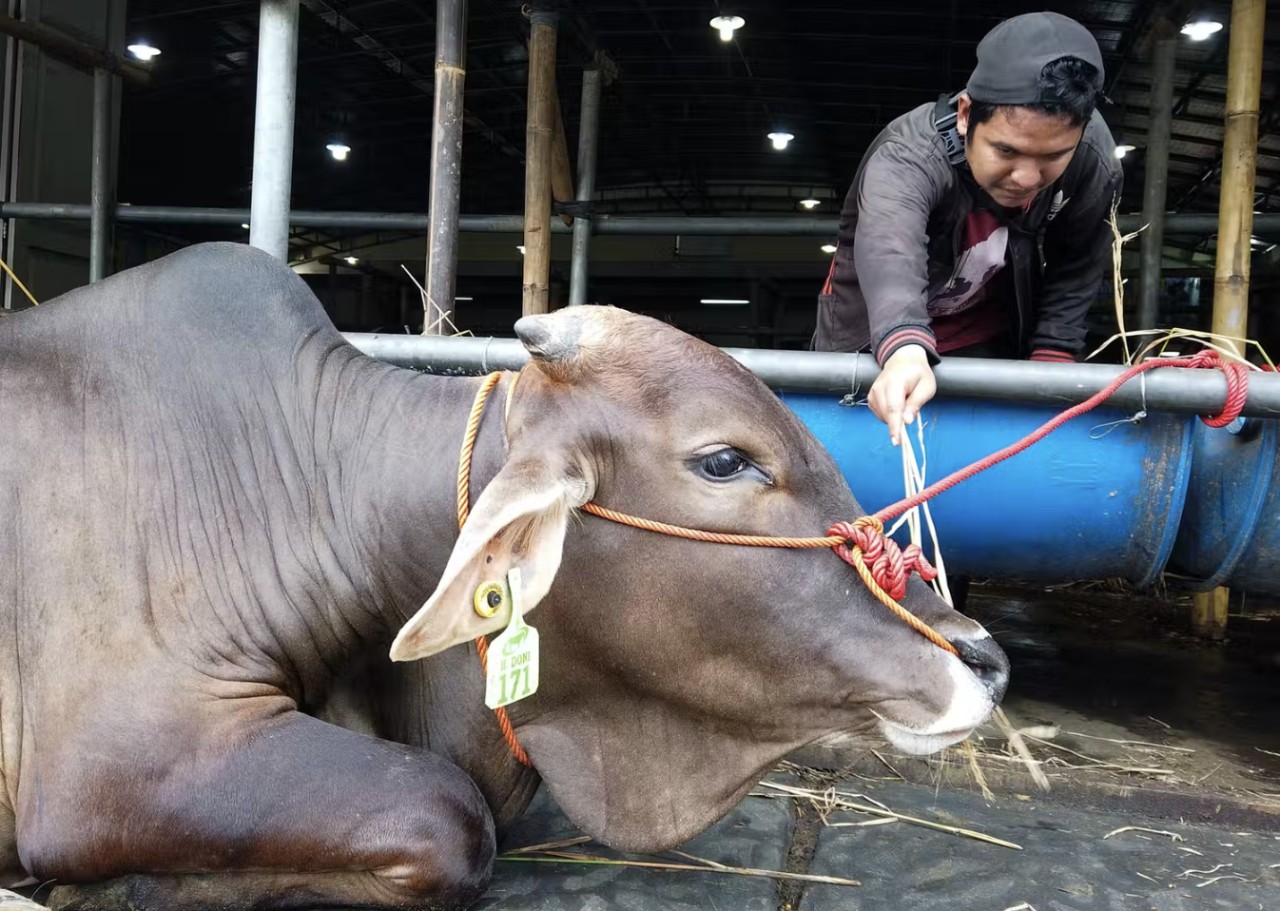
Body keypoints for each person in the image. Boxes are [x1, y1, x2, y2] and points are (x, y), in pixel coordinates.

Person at [812, 11, 1123, 446]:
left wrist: (1052, 362)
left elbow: (1078, 264)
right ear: (965, 115)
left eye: (1053, 156)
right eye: (1006, 151)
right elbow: (889, 248)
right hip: (874, 342)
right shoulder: (908, 154)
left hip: (987, 344)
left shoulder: (1093, 160)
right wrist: (902, 348)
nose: (1027, 178)